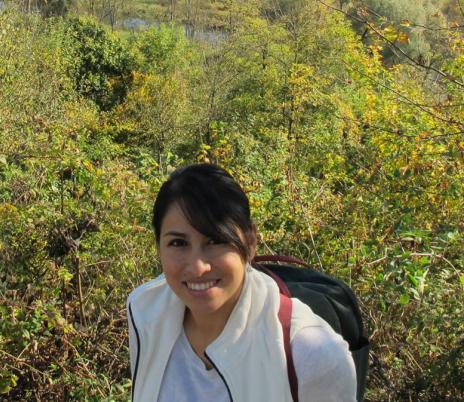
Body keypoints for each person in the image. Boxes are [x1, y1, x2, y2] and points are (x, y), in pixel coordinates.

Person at [127, 163, 357, 402]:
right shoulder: (146, 312)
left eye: (215, 240)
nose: (198, 267)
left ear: (250, 242)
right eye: (178, 243)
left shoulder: (312, 355)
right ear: (158, 246)